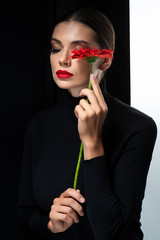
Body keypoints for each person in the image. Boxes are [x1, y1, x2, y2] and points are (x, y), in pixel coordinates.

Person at [18, 8, 157, 240]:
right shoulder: (40, 124)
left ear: (104, 61)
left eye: (78, 51)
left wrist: (92, 143)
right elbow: (25, 213)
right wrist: (50, 224)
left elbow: (112, 233)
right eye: (56, 48)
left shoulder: (138, 127)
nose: (63, 59)